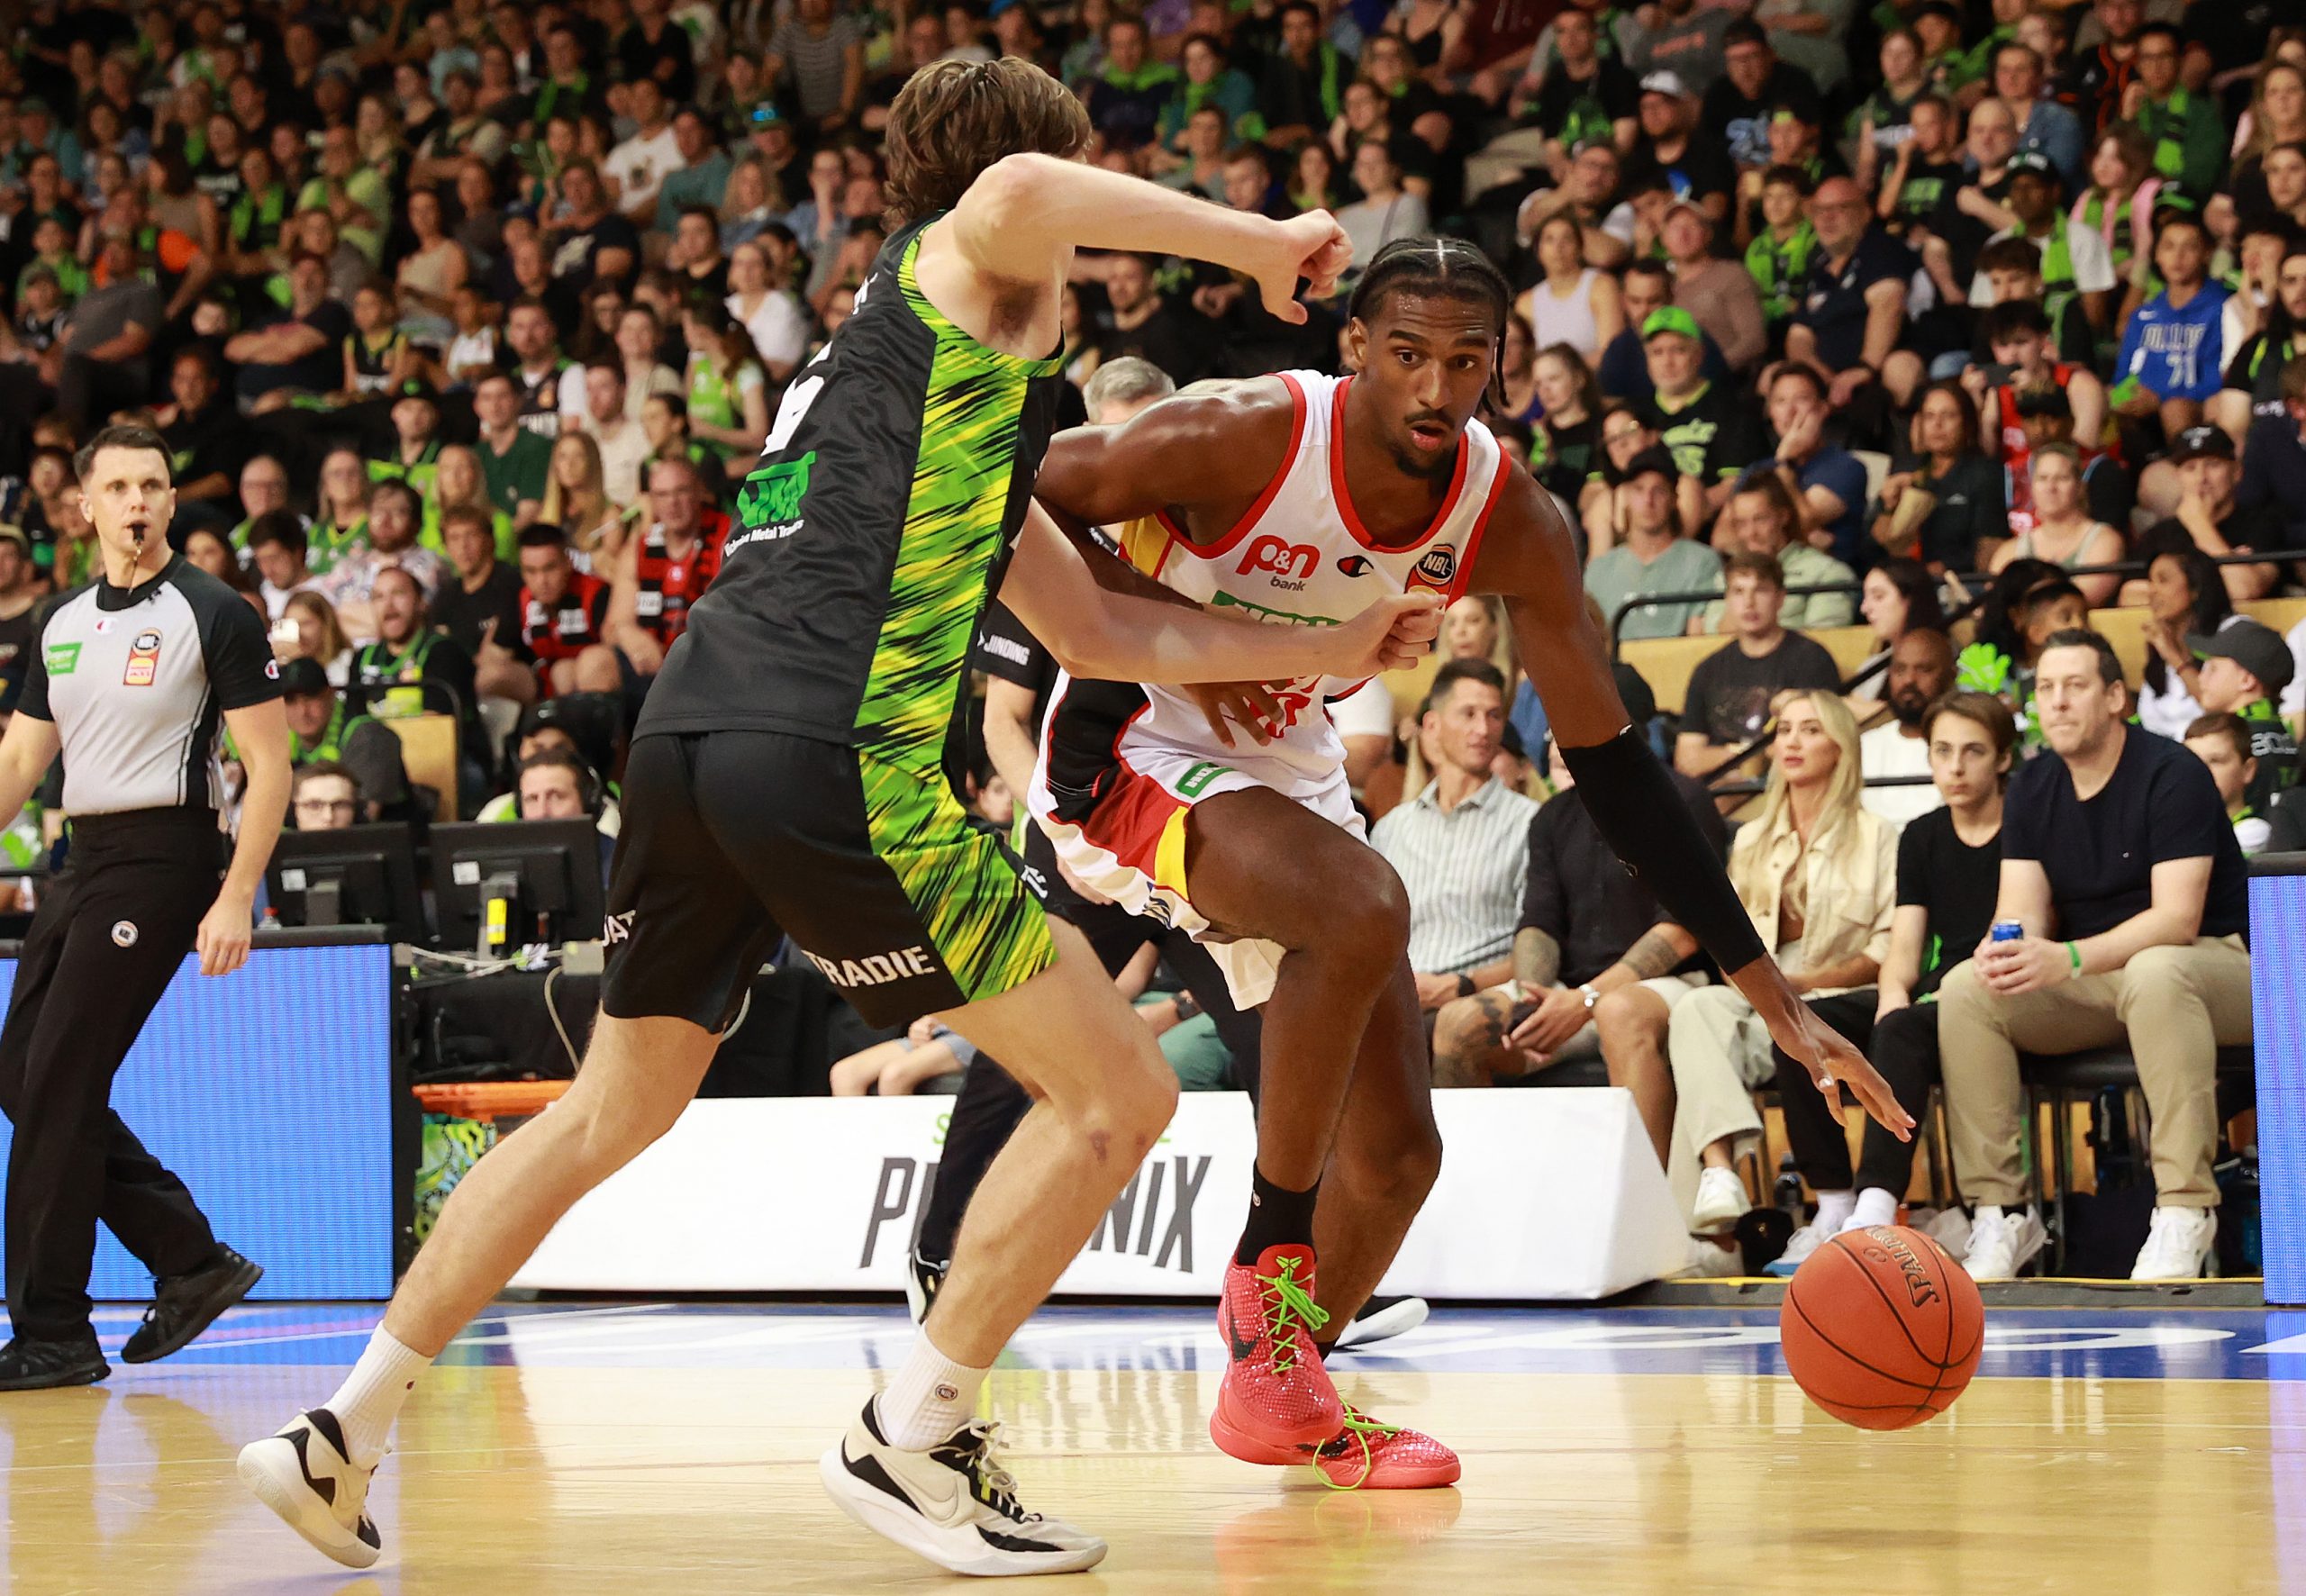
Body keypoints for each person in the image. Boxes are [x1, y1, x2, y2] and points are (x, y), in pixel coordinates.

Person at [241, 59, 1445, 1577]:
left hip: (686, 739)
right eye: (1071, 221)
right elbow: (1014, 195)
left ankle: (339, 1425)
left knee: (616, 1105)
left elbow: (1115, 633)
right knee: (1117, 1098)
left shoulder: (924, 392)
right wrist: (1261, 238)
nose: (1071, 253)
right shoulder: (968, 269)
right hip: (827, 745)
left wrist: (1324, 649)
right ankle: (913, 1429)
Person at [1023, 236, 1900, 1495]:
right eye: (1408, 357)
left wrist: (1773, 993)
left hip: (1289, 766)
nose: (1436, 391)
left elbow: (1614, 767)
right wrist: (1146, 630)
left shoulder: (1513, 515)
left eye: (1467, 362)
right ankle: (1264, 1281)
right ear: (1355, 351)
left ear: (1501, 370)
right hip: (1134, 745)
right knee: (1364, 901)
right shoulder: (1238, 433)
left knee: (1397, 1164)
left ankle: (1285, 1393)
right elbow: (1009, 496)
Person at [0, 424, 290, 1389]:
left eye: (153, 485)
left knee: (60, 1079)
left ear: (171, 502)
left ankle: (52, 1329)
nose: (136, 501)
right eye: (117, 485)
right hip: (82, 858)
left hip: (166, 857)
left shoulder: (216, 612)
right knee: (23, 1071)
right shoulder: (60, 620)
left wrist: (235, 894)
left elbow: (271, 768)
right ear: (82, 504)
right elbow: (18, 761)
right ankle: (189, 1258)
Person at [1942, 628, 2251, 1283]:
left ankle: (2184, 1208)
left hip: (2212, 966)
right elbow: (2019, 906)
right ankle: (2003, 1213)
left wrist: (2070, 959)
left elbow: (2177, 917)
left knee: (2156, 970)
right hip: (2103, 978)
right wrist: (2006, 946)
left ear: (2115, 697)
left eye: (2074, 686)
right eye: (2045, 689)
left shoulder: (2172, 772)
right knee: (1969, 989)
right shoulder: (2031, 785)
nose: (2056, 702)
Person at [1668, 689, 1899, 1263]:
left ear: (1841, 746)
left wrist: (1800, 986)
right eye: (1784, 730)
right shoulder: (1748, 838)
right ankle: (1721, 1177)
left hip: (1844, 994)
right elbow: (1725, 936)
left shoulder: (1879, 835)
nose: (1791, 741)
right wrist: (1770, 989)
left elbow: (1884, 948)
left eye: (1810, 730)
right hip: (1760, 992)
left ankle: (1833, 1204)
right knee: (1692, 1009)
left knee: (1800, 1026)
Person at [1429, 733, 1722, 1160]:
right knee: (1458, 1025)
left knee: (1617, 1012)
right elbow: (1538, 924)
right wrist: (1533, 998)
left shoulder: (1682, 799)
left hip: (1669, 983)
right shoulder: (1553, 816)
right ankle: (1476, 1192)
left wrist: (1586, 999)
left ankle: (1642, 1203)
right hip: (1567, 990)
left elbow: (1683, 930)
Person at [1869, 691, 2016, 1259]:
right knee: (1818, 1023)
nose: (1955, 767)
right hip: (1935, 991)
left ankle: (1876, 1202)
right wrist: (1890, 995)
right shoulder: (1922, 835)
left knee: (1905, 1031)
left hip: (1997, 989)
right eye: (1943, 751)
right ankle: (1831, 1200)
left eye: (1973, 751)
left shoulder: (2025, 826)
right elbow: (1905, 945)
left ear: (2003, 758)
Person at [1369, 659, 1541, 1023]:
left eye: (1494, 715)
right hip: (1400, 999)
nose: (1483, 729)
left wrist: (1462, 984)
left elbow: (1541, 944)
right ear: (1432, 725)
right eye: (1469, 714)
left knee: (1450, 1027)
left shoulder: (1530, 823)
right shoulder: (1392, 828)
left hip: (1482, 998)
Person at [1674, 552, 1842, 784]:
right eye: (1739, 591)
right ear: (1727, 599)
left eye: (1760, 590)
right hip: (1722, 792)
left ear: (1780, 598)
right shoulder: (1708, 669)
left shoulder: (1812, 659)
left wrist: (1731, 760)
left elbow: (1817, 749)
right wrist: (1744, 756)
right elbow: (1687, 760)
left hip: (1788, 786)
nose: (1749, 602)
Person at [1637, 305, 1763, 522]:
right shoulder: (1636, 414)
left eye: (1678, 350)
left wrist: (1678, 514)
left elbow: (1734, 485)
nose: (1667, 362)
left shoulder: (1731, 408)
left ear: (1699, 355)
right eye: (1657, 352)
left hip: (1709, 522)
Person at [1584, 445, 1723, 640]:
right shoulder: (1599, 569)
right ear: (1626, 496)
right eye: (1638, 490)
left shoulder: (1702, 561)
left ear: (1674, 499)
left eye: (1659, 491)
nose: (1648, 500)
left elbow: (1699, 637)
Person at [1702, 476, 1854, 631]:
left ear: (1783, 517)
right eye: (1741, 523)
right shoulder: (1726, 577)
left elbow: (1825, 641)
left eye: (1760, 519)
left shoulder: (1826, 572)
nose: (1750, 533)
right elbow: (1712, 635)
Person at [277, 657, 413, 823]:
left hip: (380, 843)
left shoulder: (370, 736)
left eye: (311, 698)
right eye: (290, 701)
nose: (302, 711)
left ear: (330, 695)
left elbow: (365, 816)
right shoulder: (281, 743)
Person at [2187, 618, 2298, 817]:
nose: (2201, 678)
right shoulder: (2284, 734)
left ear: (2246, 681)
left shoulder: (2234, 741)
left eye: (2213, 669)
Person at [2134, 541, 2234, 740]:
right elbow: (2147, 722)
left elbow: (2215, 707)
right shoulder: (2160, 645)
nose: (2151, 591)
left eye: (2163, 580)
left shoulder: (2231, 633)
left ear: (2196, 587)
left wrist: (2173, 656)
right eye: (2150, 581)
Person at [1859, 628, 1956, 824]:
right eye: (1900, 670)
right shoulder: (1864, 745)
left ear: (1950, 676)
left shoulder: (1962, 748)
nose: (1909, 680)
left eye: (1924, 669)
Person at [514, 525, 619, 699]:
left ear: (568, 563)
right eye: (531, 571)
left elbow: (613, 656)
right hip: (543, 689)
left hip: (593, 689)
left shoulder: (595, 594)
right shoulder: (524, 598)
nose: (541, 581)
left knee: (564, 673)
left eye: (549, 568)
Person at [2183, 712, 2274, 857]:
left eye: (2216, 760)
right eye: (2192, 761)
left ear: (2247, 770)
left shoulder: (2253, 830)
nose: (2201, 770)